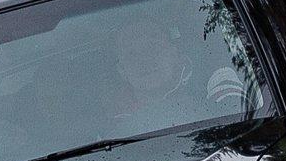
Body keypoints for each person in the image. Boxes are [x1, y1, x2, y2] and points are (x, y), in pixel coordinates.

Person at [108, 18, 255, 137]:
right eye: (131, 54)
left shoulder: (215, 78)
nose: (144, 60)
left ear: (175, 53)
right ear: (122, 70)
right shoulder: (111, 125)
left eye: (152, 47)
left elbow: (245, 131)